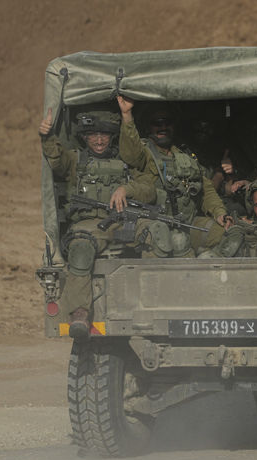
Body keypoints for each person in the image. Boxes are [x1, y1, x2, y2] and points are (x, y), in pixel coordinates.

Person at [38, 105, 157, 339]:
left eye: (104, 135)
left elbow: (149, 189)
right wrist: (47, 136)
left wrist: (127, 188)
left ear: (112, 137)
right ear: (84, 137)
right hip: (91, 225)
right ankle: (79, 313)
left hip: (125, 221)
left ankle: (156, 301)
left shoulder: (127, 160)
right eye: (93, 135)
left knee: (160, 234)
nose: (99, 140)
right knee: (80, 248)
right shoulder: (76, 160)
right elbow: (56, 161)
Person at [117, 96, 233, 256]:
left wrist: (220, 213)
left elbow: (206, 190)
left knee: (231, 235)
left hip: (189, 223)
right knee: (178, 241)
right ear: (148, 127)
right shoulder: (144, 153)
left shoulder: (185, 155)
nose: (163, 127)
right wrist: (127, 115)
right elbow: (130, 153)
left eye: (167, 122)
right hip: (159, 225)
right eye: (157, 123)